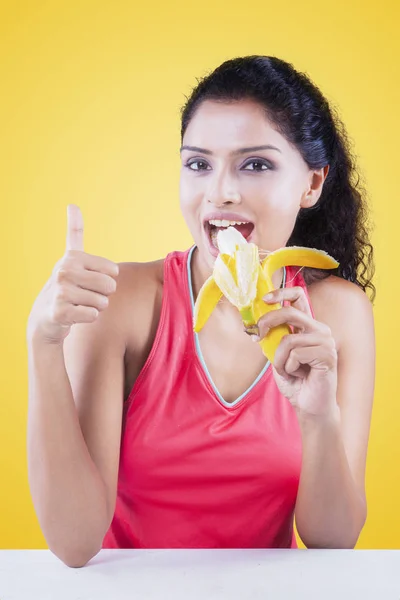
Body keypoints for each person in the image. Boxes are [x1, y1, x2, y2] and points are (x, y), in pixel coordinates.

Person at [27, 55, 375, 567]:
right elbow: (75, 543)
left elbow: (332, 541)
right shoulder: (117, 302)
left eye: (256, 164)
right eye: (199, 163)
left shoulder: (338, 316)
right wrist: (43, 342)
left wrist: (317, 417)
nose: (220, 192)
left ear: (313, 184)